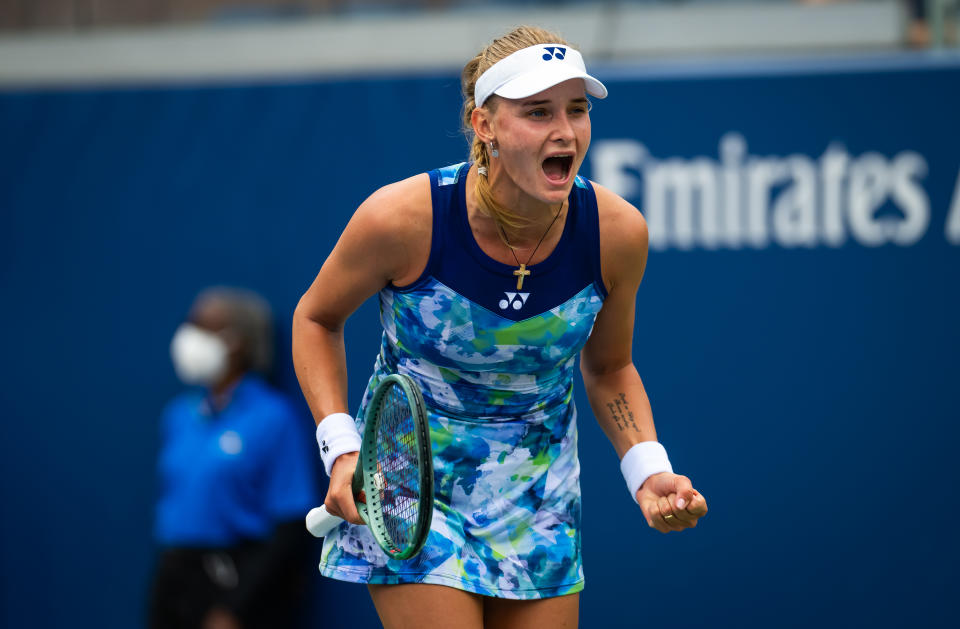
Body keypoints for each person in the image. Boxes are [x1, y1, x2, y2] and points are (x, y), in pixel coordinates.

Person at [292, 25, 708, 628]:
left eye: (577, 110)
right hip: (409, 488)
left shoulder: (617, 233)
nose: (565, 131)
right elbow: (316, 317)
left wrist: (648, 470)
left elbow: (610, 367)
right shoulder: (402, 219)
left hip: (540, 501)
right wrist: (341, 449)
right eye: (537, 112)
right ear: (484, 124)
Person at [150, 287, 320, 629]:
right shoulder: (178, 415)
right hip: (172, 580)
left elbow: (289, 526)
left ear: (236, 342)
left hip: (232, 586)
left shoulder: (273, 417)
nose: (189, 337)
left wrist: (234, 609)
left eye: (204, 327)